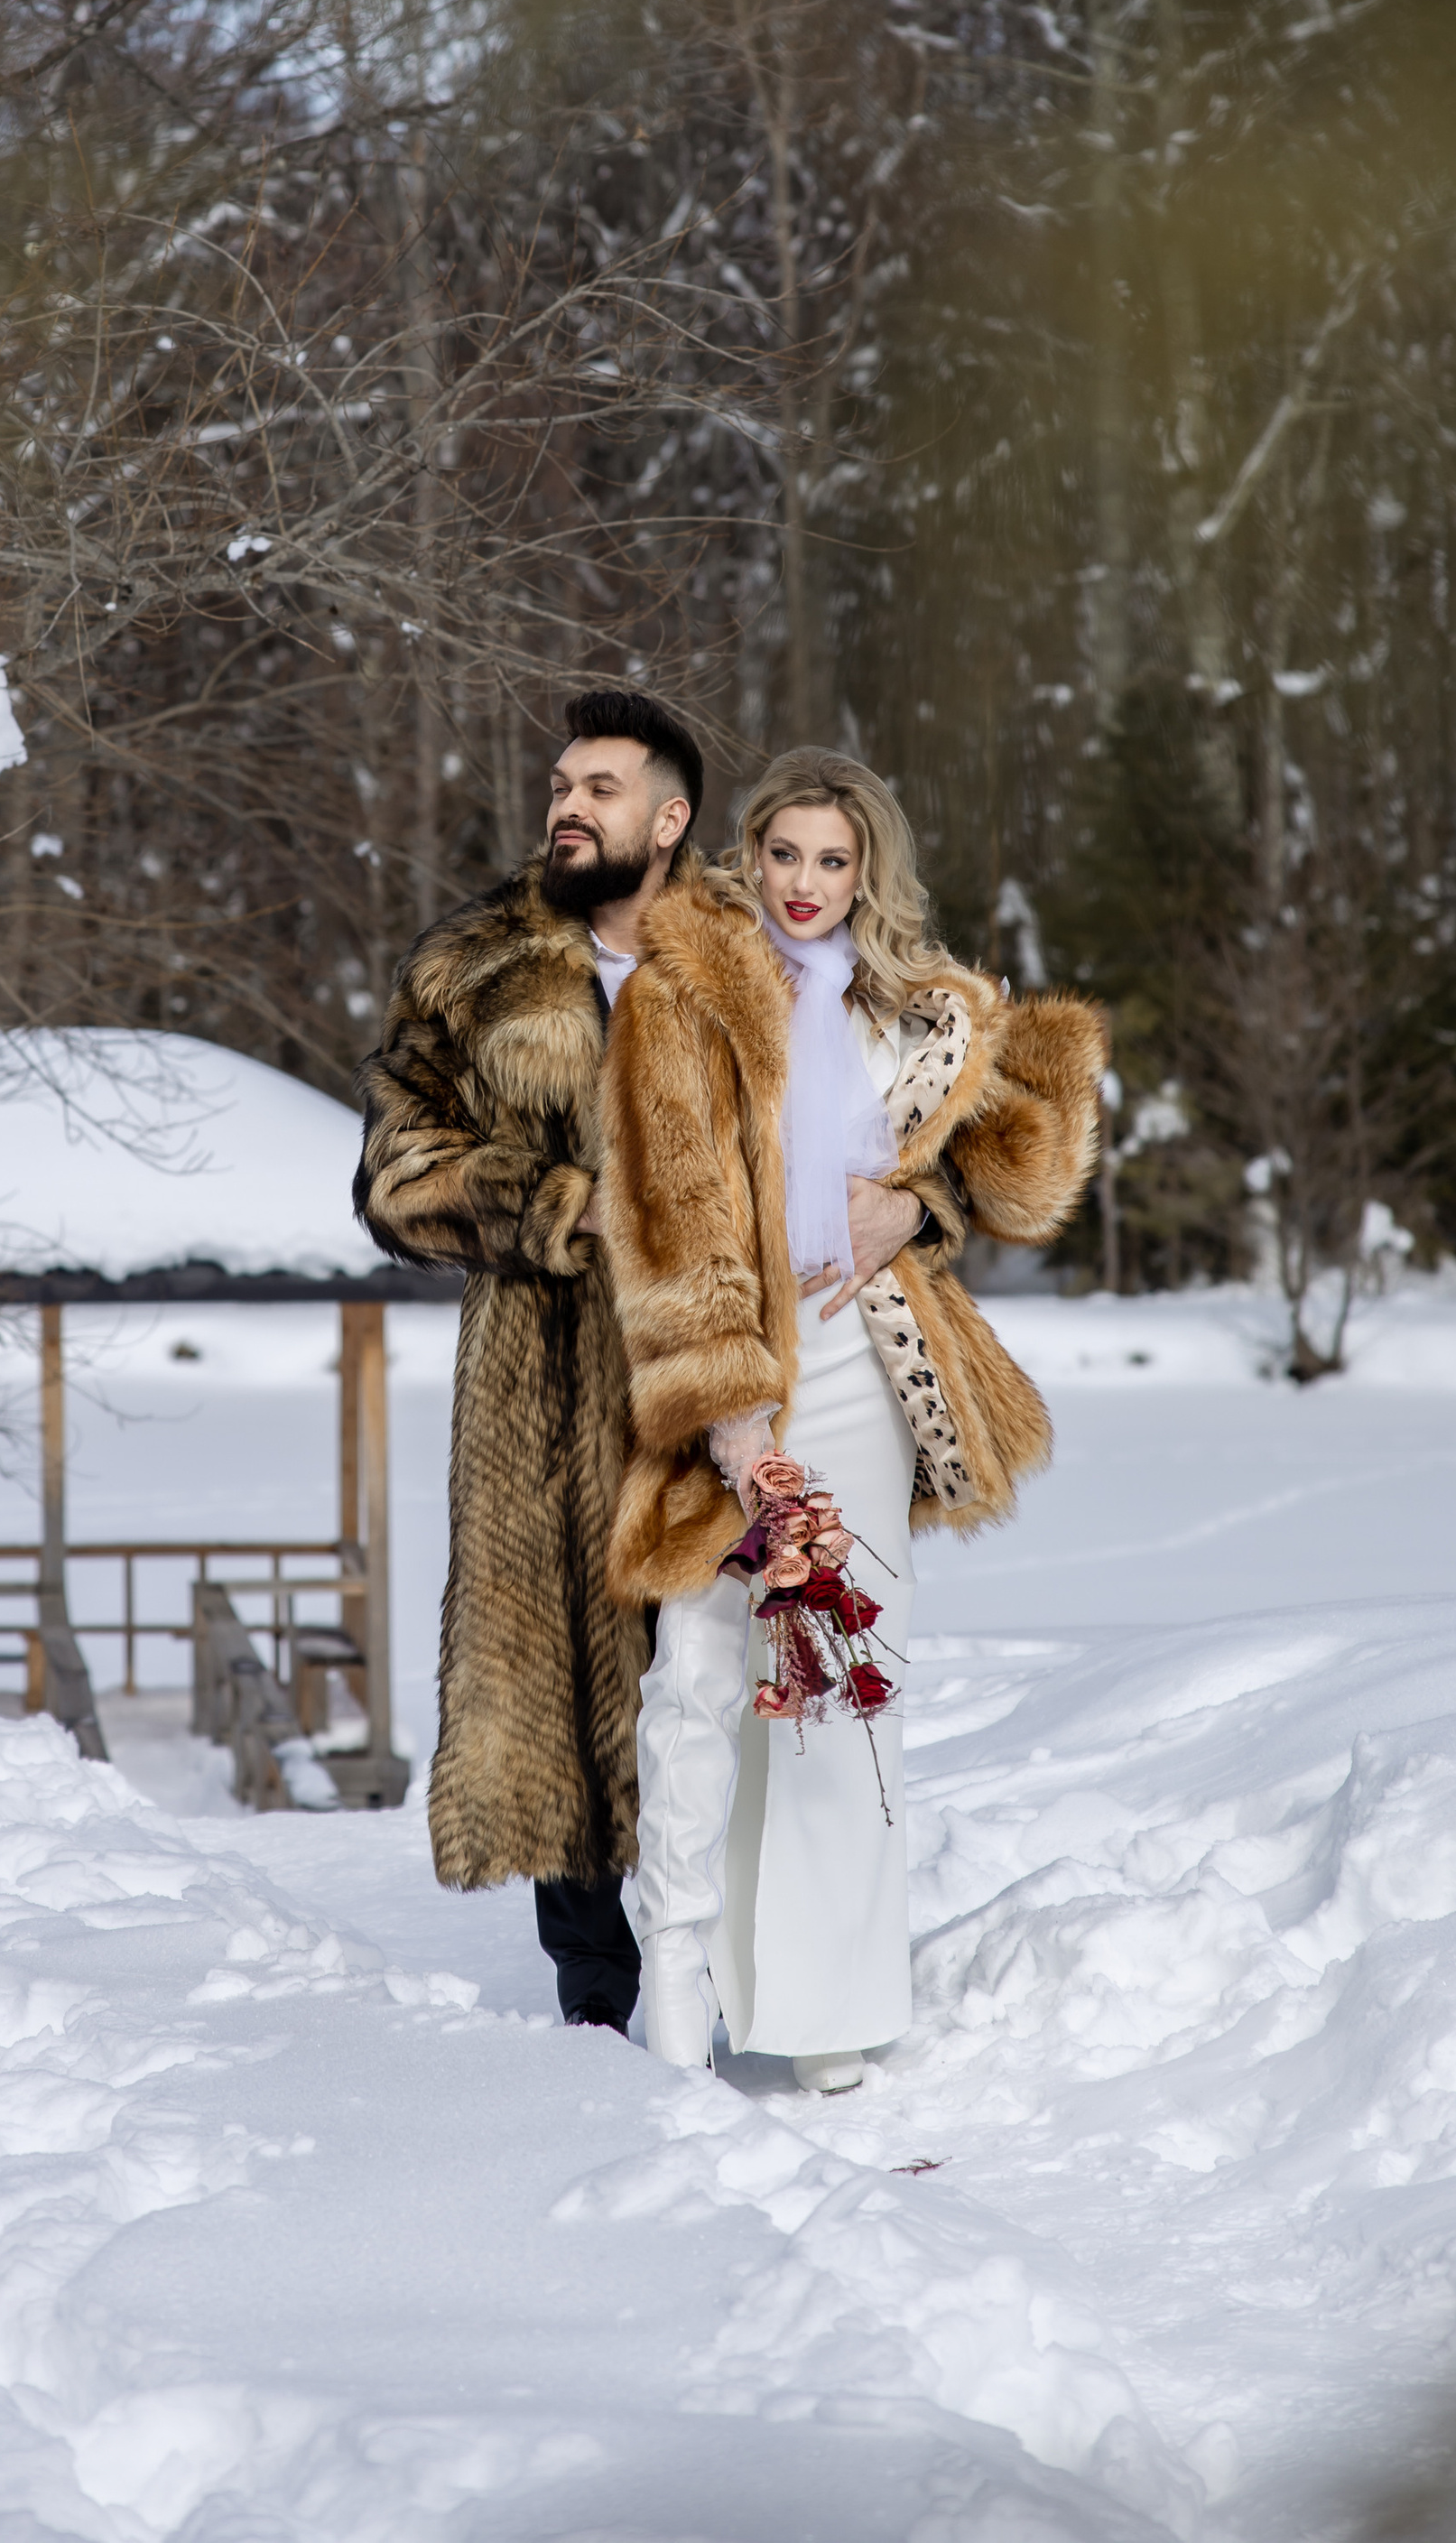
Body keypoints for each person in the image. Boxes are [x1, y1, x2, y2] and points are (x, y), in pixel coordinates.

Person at [596, 747, 1100, 2085]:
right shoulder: (685, 995)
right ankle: (677, 1992)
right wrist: (729, 1413)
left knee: (840, 1699)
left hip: (868, 1383)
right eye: (784, 856)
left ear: (866, 868)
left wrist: (917, 1208)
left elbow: (1029, 1175)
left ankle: (824, 2007)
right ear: (746, 856)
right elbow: (669, 1214)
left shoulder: (917, 1014)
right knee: (702, 1688)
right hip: (727, 1384)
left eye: (834, 860)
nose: (806, 885)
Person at [353, 685, 705, 2031]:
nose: (568, 805)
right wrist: (564, 1206)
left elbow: (884, 1114)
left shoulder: (750, 955)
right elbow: (396, 1172)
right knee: (563, 1681)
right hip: (541, 1386)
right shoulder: (474, 966)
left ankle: (742, 1965)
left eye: (601, 787)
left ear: (668, 818)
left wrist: (907, 1203)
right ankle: (600, 2008)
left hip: (717, 1385)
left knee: (721, 1681)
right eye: (561, 784)